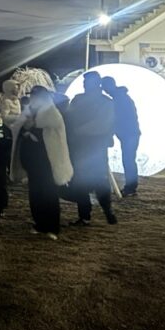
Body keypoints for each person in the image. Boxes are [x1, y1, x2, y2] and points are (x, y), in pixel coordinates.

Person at [11, 86, 73, 240]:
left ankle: (52, 226)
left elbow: (53, 131)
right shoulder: (29, 111)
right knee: (35, 193)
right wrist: (25, 129)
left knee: (49, 193)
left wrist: (32, 129)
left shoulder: (52, 112)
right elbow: (18, 127)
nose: (32, 98)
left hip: (46, 160)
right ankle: (39, 223)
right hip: (32, 161)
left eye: (35, 95)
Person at [65, 71, 117, 226]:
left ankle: (105, 211)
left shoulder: (105, 103)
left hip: (93, 146)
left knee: (98, 181)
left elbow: (103, 124)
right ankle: (86, 215)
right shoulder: (79, 99)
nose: (85, 85)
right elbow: (70, 117)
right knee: (81, 182)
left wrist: (77, 131)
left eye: (88, 83)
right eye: (85, 83)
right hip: (82, 146)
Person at [109, 80, 140, 196]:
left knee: (128, 160)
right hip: (130, 133)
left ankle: (131, 188)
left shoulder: (119, 99)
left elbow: (118, 118)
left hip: (129, 133)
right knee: (129, 160)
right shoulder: (121, 97)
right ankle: (131, 187)